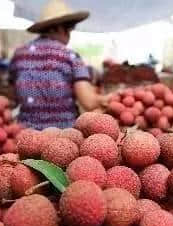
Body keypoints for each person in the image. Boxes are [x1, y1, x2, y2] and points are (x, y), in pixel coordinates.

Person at [9, 0, 105, 130]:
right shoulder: (70, 56)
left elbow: (12, 94)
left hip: (26, 134)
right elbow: (88, 102)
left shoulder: (19, 54)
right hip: (64, 136)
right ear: (59, 28)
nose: (69, 35)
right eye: (69, 29)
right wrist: (107, 100)